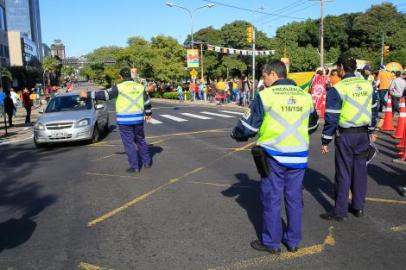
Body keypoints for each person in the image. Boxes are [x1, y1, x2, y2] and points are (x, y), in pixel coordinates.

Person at [231, 60, 319, 254]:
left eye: (264, 76)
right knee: (294, 198)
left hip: (273, 156)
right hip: (298, 156)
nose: (264, 81)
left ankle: (271, 242)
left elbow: (248, 126)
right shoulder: (306, 97)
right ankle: (294, 241)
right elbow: (313, 126)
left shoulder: (266, 96)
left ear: (272, 74)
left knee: (271, 198)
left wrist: (237, 134)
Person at [320, 53, 378, 221]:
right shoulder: (368, 85)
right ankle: (358, 207)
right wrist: (371, 130)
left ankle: (340, 211)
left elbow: (331, 118)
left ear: (341, 68)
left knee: (343, 173)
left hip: (346, 136)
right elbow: (374, 110)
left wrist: (325, 140)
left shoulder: (338, 89)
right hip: (363, 135)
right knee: (360, 171)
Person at [80, 68, 153, 173]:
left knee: (129, 143)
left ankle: (135, 167)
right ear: (131, 76)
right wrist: (148, 114)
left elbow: (104, 95)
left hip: (125, 120)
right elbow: (147, 102)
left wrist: (87, 95)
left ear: (121, 76)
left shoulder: (118, 87)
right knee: (140, 140)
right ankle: (147, 162)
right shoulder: (139, 87)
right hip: (138, 119)